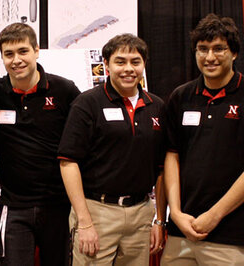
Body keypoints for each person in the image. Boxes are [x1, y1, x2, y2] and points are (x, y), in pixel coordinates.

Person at [161, 13, 244, 265]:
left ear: (234, 53)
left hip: (229, 233)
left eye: (218, 49)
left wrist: (214, 216)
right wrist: (177, 214)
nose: (210, 57)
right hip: (182, 229)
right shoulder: (181, 96)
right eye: (202, 49)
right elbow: (172, 156)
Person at [58, 33, 166, 265]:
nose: (128, 69)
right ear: (106, 65)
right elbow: (68, 163)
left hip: (141, 213)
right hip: (97, 213)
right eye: (120, 61)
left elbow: (161, 169)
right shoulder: (87, 104)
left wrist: (158, 220)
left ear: (144, 65)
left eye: (135, 62)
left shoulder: (157, 106)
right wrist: (85, 221)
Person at [0, 23, 81, 266]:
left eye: (23, 51)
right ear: (1, 57)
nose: (16, 60)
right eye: (9, 54)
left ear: (37, 51)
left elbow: (91, 125)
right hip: (14, 207)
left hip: (58, 205)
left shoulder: (64, 90)